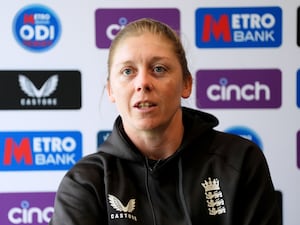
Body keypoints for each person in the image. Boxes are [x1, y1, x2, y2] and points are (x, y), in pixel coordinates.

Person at [49, 18, 281, 225]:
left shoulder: (239, 160)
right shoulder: (86, 182)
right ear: (111, 90)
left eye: (159, 69)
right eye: (128, 71)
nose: (143, 83)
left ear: (186, 84)